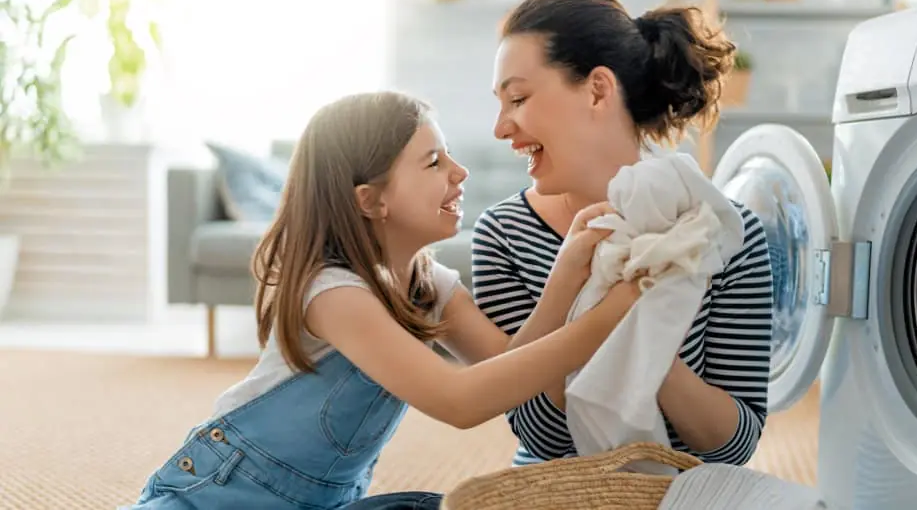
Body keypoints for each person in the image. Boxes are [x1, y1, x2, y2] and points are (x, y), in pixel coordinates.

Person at [122, 91, 641, 510]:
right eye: (434, 162)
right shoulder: (332, 293)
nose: (459, 173)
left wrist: (566, 273)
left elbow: (505, 370)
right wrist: (609, 316)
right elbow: (460, 402)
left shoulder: (427, 282)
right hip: (220, 496)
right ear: (371, 200)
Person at [475, 0, 774, 468]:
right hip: (556, 494)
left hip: (684, 493)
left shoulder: (721, 230)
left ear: (597, 90)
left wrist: (645, 338)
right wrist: (567, 291)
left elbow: (733, 446)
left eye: (518, 98)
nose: (501, 127)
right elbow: (542, 438)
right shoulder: (505, 234)